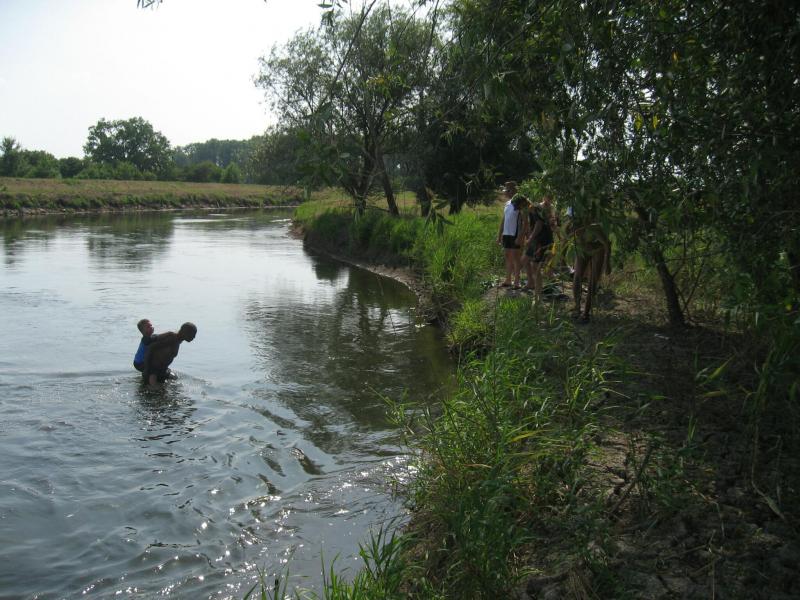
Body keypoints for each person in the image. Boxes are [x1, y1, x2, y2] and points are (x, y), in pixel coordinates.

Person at [496, 181, 529, 289]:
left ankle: (517, 282)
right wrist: (499, 235)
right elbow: (504, 220)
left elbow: (525, 222)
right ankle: (508, 280)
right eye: (506, 190)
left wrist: (520, 236)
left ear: (513, 190)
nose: (506, 193)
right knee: (507, 256)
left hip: (516, 234)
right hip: (507, 233)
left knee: (516, 257)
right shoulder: (507, 203)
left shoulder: (520, 202)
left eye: (508, 190)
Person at [522, 196, 554, 300]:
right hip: (537, 240)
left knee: (536, 266)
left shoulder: (534, 209)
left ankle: (538, 295)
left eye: (520, 208)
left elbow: (539, 224)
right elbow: (531, 225)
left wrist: (530, 238)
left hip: (542, 240)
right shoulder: (533, 208)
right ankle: (532, 284)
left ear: (523, 204)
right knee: (526, 261)